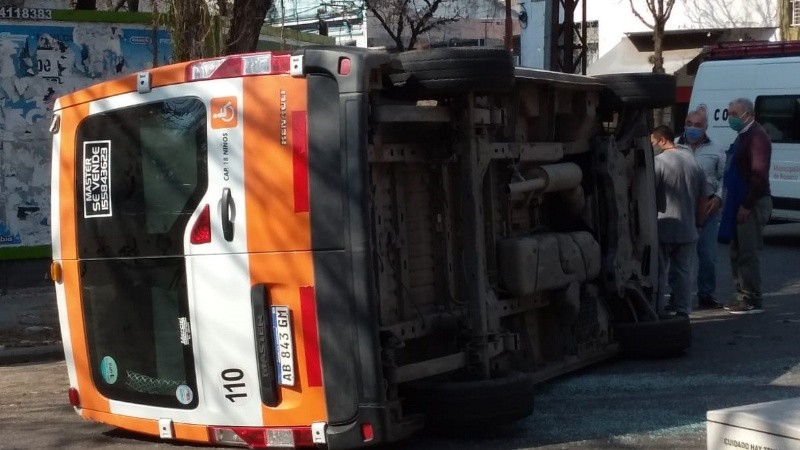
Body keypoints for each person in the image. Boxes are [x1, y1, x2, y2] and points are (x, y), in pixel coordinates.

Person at [719, 98, 773, 315]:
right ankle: (742, 295)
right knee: (737, 250)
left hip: (751, 202)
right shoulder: (744, 135)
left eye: (733, 113)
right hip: (739, 201)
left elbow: (758, 175)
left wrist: (747, 204)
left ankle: (752, 299)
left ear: (747, 114)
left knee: (747, 252)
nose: (729, 117)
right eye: (729, 112)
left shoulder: (757, 137)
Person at [652, 125, 709, 318]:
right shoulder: (694, 162)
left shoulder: (658, 162)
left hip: (663, 226)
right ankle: (683, 310)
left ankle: (657, 309)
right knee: (684, 272)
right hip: (688, 227)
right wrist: (699, 223)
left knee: (660, 271)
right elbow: (704, 198)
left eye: (653, 141)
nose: (652, 145)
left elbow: (648, 194)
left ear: (662, 140)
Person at [675, 108, 725, 309]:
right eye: (689, 124)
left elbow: (724, 178)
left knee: (708, 257)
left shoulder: (717, 149)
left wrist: (720, 198)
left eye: (698, 125)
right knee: (679, 258)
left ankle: (706, 295)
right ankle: (677, 297)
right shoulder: (674, 146)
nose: (692, 128)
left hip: (708, 211)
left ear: (706, 127)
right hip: (681, 209)